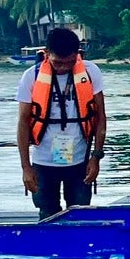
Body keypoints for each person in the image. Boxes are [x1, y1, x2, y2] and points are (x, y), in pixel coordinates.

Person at [18, 27, 108, 218]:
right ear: (47, 53)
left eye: (69, 62)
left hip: (79, 159)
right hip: (43, 161)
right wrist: (26, 167)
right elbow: (23, 123)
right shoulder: (30, 76)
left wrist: (96, 157)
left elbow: (100, 117)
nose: (63, 68)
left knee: (80, 213)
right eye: (58, 63)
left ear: (77, 54)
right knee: (47, 211)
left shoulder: (91, 73)